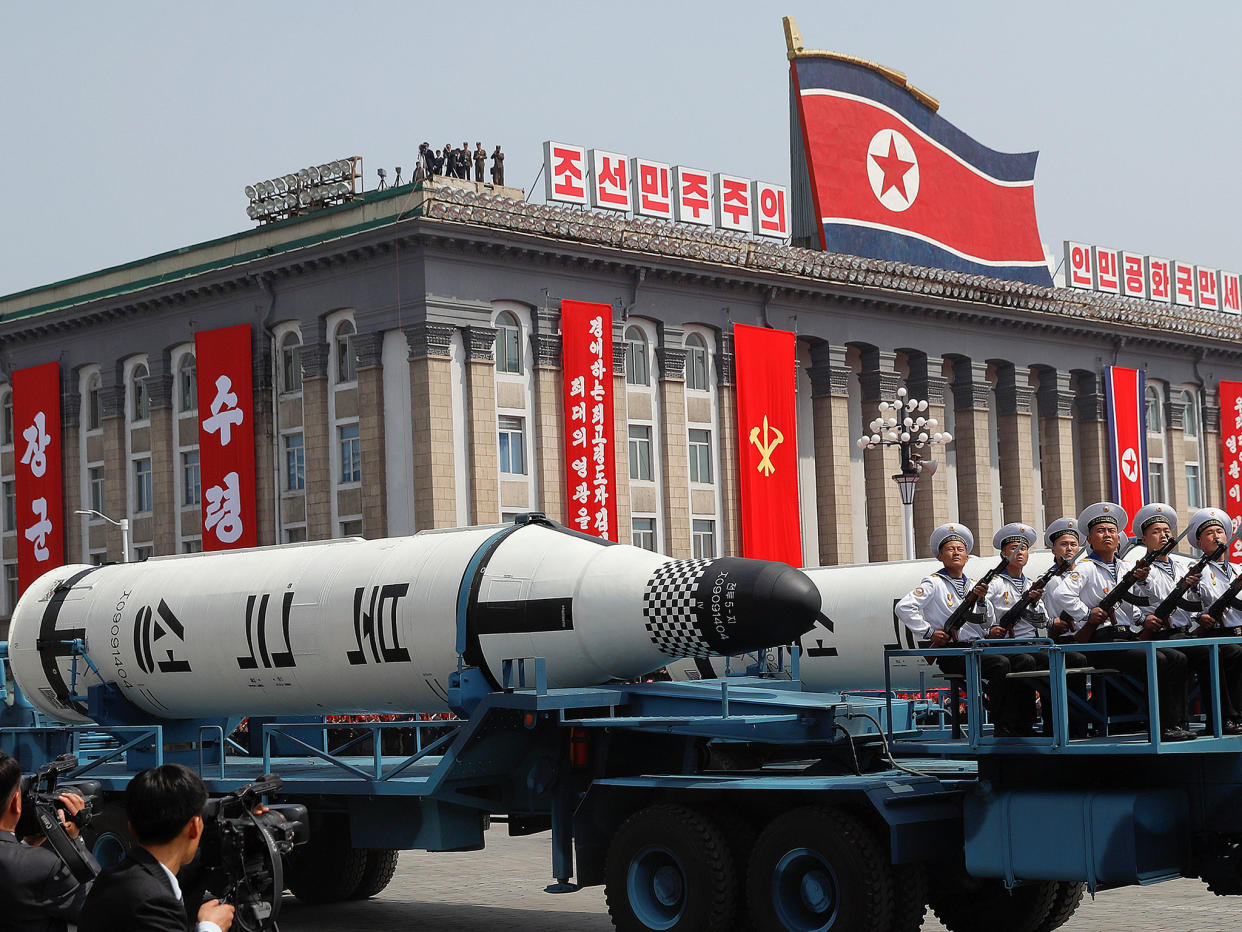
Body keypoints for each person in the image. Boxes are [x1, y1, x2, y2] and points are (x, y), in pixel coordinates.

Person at [1057, 502, 1194, 741]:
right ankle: (1161, 726)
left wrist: (1143, 616)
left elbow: (1136, 604)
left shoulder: (1126, 567)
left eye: (1111, 531)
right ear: (1090, 538)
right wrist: (1087, 615)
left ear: (1119, 538)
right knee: (1156, 659)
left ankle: (1178, 720)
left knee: (1177, 657)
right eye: (1101, 531)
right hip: (1101, 641)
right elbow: (1062, 595)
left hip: (1126, 637)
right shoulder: (1086, 568)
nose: (1107, 535)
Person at [896, 523, 1038, 736]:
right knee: (1001, 664)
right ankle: (1002, 725)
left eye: (960, 550)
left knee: (1024, 661)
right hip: (954, 651)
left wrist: (980, 600)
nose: (956, 553)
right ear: (939, 556)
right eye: (950, 549)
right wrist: (929, 633)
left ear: (967, 556)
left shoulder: (973, 585)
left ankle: (1024, 723)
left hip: (977, 648)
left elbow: (986, 621)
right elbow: (904, 607)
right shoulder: (934, 583)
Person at [79, 764, 234, 932]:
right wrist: (211, 927)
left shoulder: (112, 877)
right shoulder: (153, 901)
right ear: (194, 827)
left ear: (131, 828)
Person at [985, 522, 1090, 736]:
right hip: (1004, 646)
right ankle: (1018, 723)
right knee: (1026, 662)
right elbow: (979, 613)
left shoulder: (1030, 584)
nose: (1019, 553)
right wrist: (990, 629)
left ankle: (1074, 724)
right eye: (1013, 548)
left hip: (1031, 645)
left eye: (1023, 548)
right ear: (1003, 553)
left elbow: (1041, 619)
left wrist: (1032, 603)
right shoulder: (994, 584)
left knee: (1074, 660)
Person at [0, 752, 98, 931]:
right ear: (16, 801)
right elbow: (99, 906)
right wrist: (75, 841)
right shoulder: (44, 867)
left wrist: (27, 846)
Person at [1178, 507, 1242, 733]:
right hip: (1214, 635)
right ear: (1199, 543)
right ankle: (1227, 718)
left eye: (1220, 531)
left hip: (1237, 634)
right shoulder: (1196, 571)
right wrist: (1199, 616)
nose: (1216, 537)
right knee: (1232, 653)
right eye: (1209, 534)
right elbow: (1188, 605)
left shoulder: (1237, 570)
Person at [1042, 516, 1083, 633]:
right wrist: (1050, 623)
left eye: (1073, 544)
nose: (1069, 548)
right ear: (1053, 549)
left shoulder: (1087, 574)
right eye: (1064, 544)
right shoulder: (1047, 579)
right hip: (1062, 638)